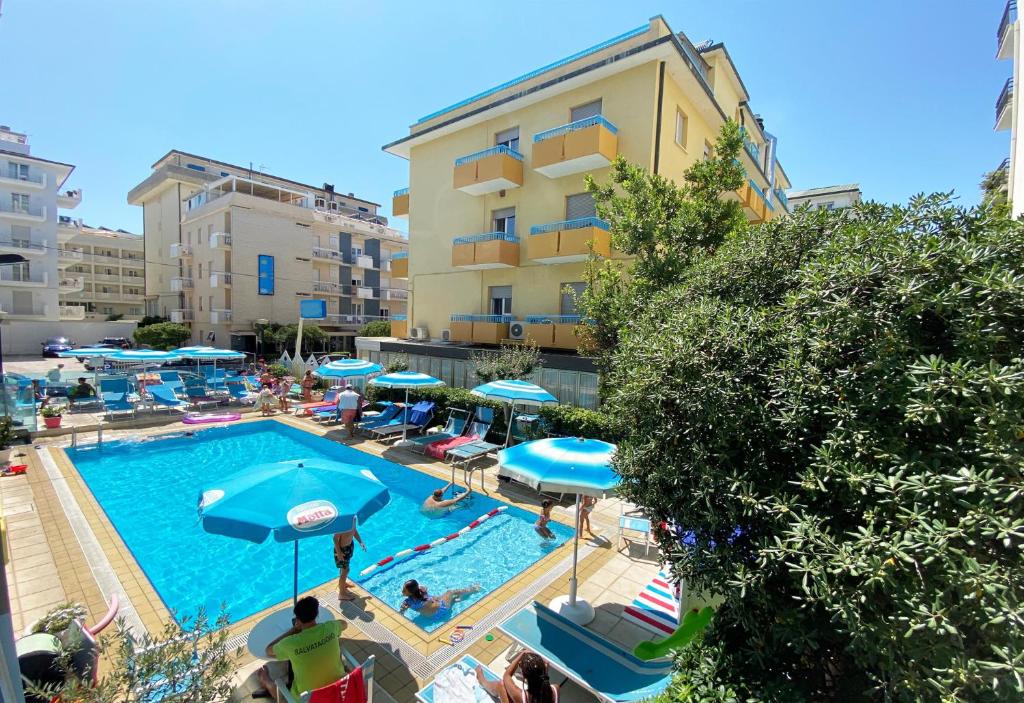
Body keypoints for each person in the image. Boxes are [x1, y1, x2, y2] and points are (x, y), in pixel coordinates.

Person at [256, 596, 345, 701]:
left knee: (283, 694)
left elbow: (268, 650)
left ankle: (265, 680)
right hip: (340, 690)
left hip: (310, 698)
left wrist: (293, 630)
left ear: (298, 619)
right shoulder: (330, 627)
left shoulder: (290, 643)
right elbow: (344, 624)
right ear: (316, 614)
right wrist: (323, 627)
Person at [477, 651, 558, 703]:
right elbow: (544, 674)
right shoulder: (555, 689)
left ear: (523, 675)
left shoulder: (520, 696)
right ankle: (483, 682)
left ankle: (482, 681)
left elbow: (506, 676)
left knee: (501, 685)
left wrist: (522, 653)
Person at [399, 579, 479, 619]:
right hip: (442, 609)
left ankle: (453, 600)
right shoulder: (422, 590)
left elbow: (401, 614)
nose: (402, 591)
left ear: (411, 592)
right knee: (450, 592)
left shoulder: (407, 602)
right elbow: (425, 587)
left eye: (404, 590)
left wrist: (403, 609)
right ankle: (473, 589)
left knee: (437, 598)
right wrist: (419, 588)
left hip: (432, 615)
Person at [333, 517, 366, 601]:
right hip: (342, 550)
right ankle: (342, 594)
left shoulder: (353, 519)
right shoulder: (343, 523)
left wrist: (360, 541)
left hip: (349, 546)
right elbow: (335, 539)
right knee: (346, 570)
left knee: (344, 569)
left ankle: (343, 584)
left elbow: (354, 531)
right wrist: (339, 553)